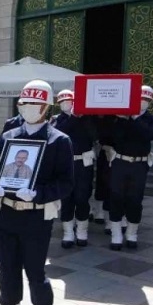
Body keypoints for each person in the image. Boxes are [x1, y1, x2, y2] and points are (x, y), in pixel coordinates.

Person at [0, 79, 74, 305]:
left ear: (46, 107)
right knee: (7, 270)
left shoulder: (59, 140)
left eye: (34, 105)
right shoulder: (9, 135)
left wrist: (37, 194)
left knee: (35, 272)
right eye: (24, 104)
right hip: (8, 212)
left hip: (37, 216)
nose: (28, 109)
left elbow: (66, 183)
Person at [108, 85, 153, 250]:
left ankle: (132, 233)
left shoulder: (152, 120)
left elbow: (149, 134)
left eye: (146, 100)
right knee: (116, 197)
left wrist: (135, 118)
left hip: (139, 164)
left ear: (150, 101)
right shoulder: (121, 118)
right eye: (140, 99)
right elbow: (113, 137)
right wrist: (123, 119)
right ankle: (116, 234)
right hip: (120, 162)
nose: (142, 102)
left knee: (135, 199)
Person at [51, 90, 97, 248]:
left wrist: (82, 116)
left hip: (83, 164)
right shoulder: (58, 120)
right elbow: (60, 132)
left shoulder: (88, 118)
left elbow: (94, 135)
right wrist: (73, 117)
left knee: (82, 198)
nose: (65, 104)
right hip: (65, 164)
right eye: (62, 102)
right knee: (66, 199)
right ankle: (68, 232)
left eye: (68, 101)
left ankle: (82, 231)